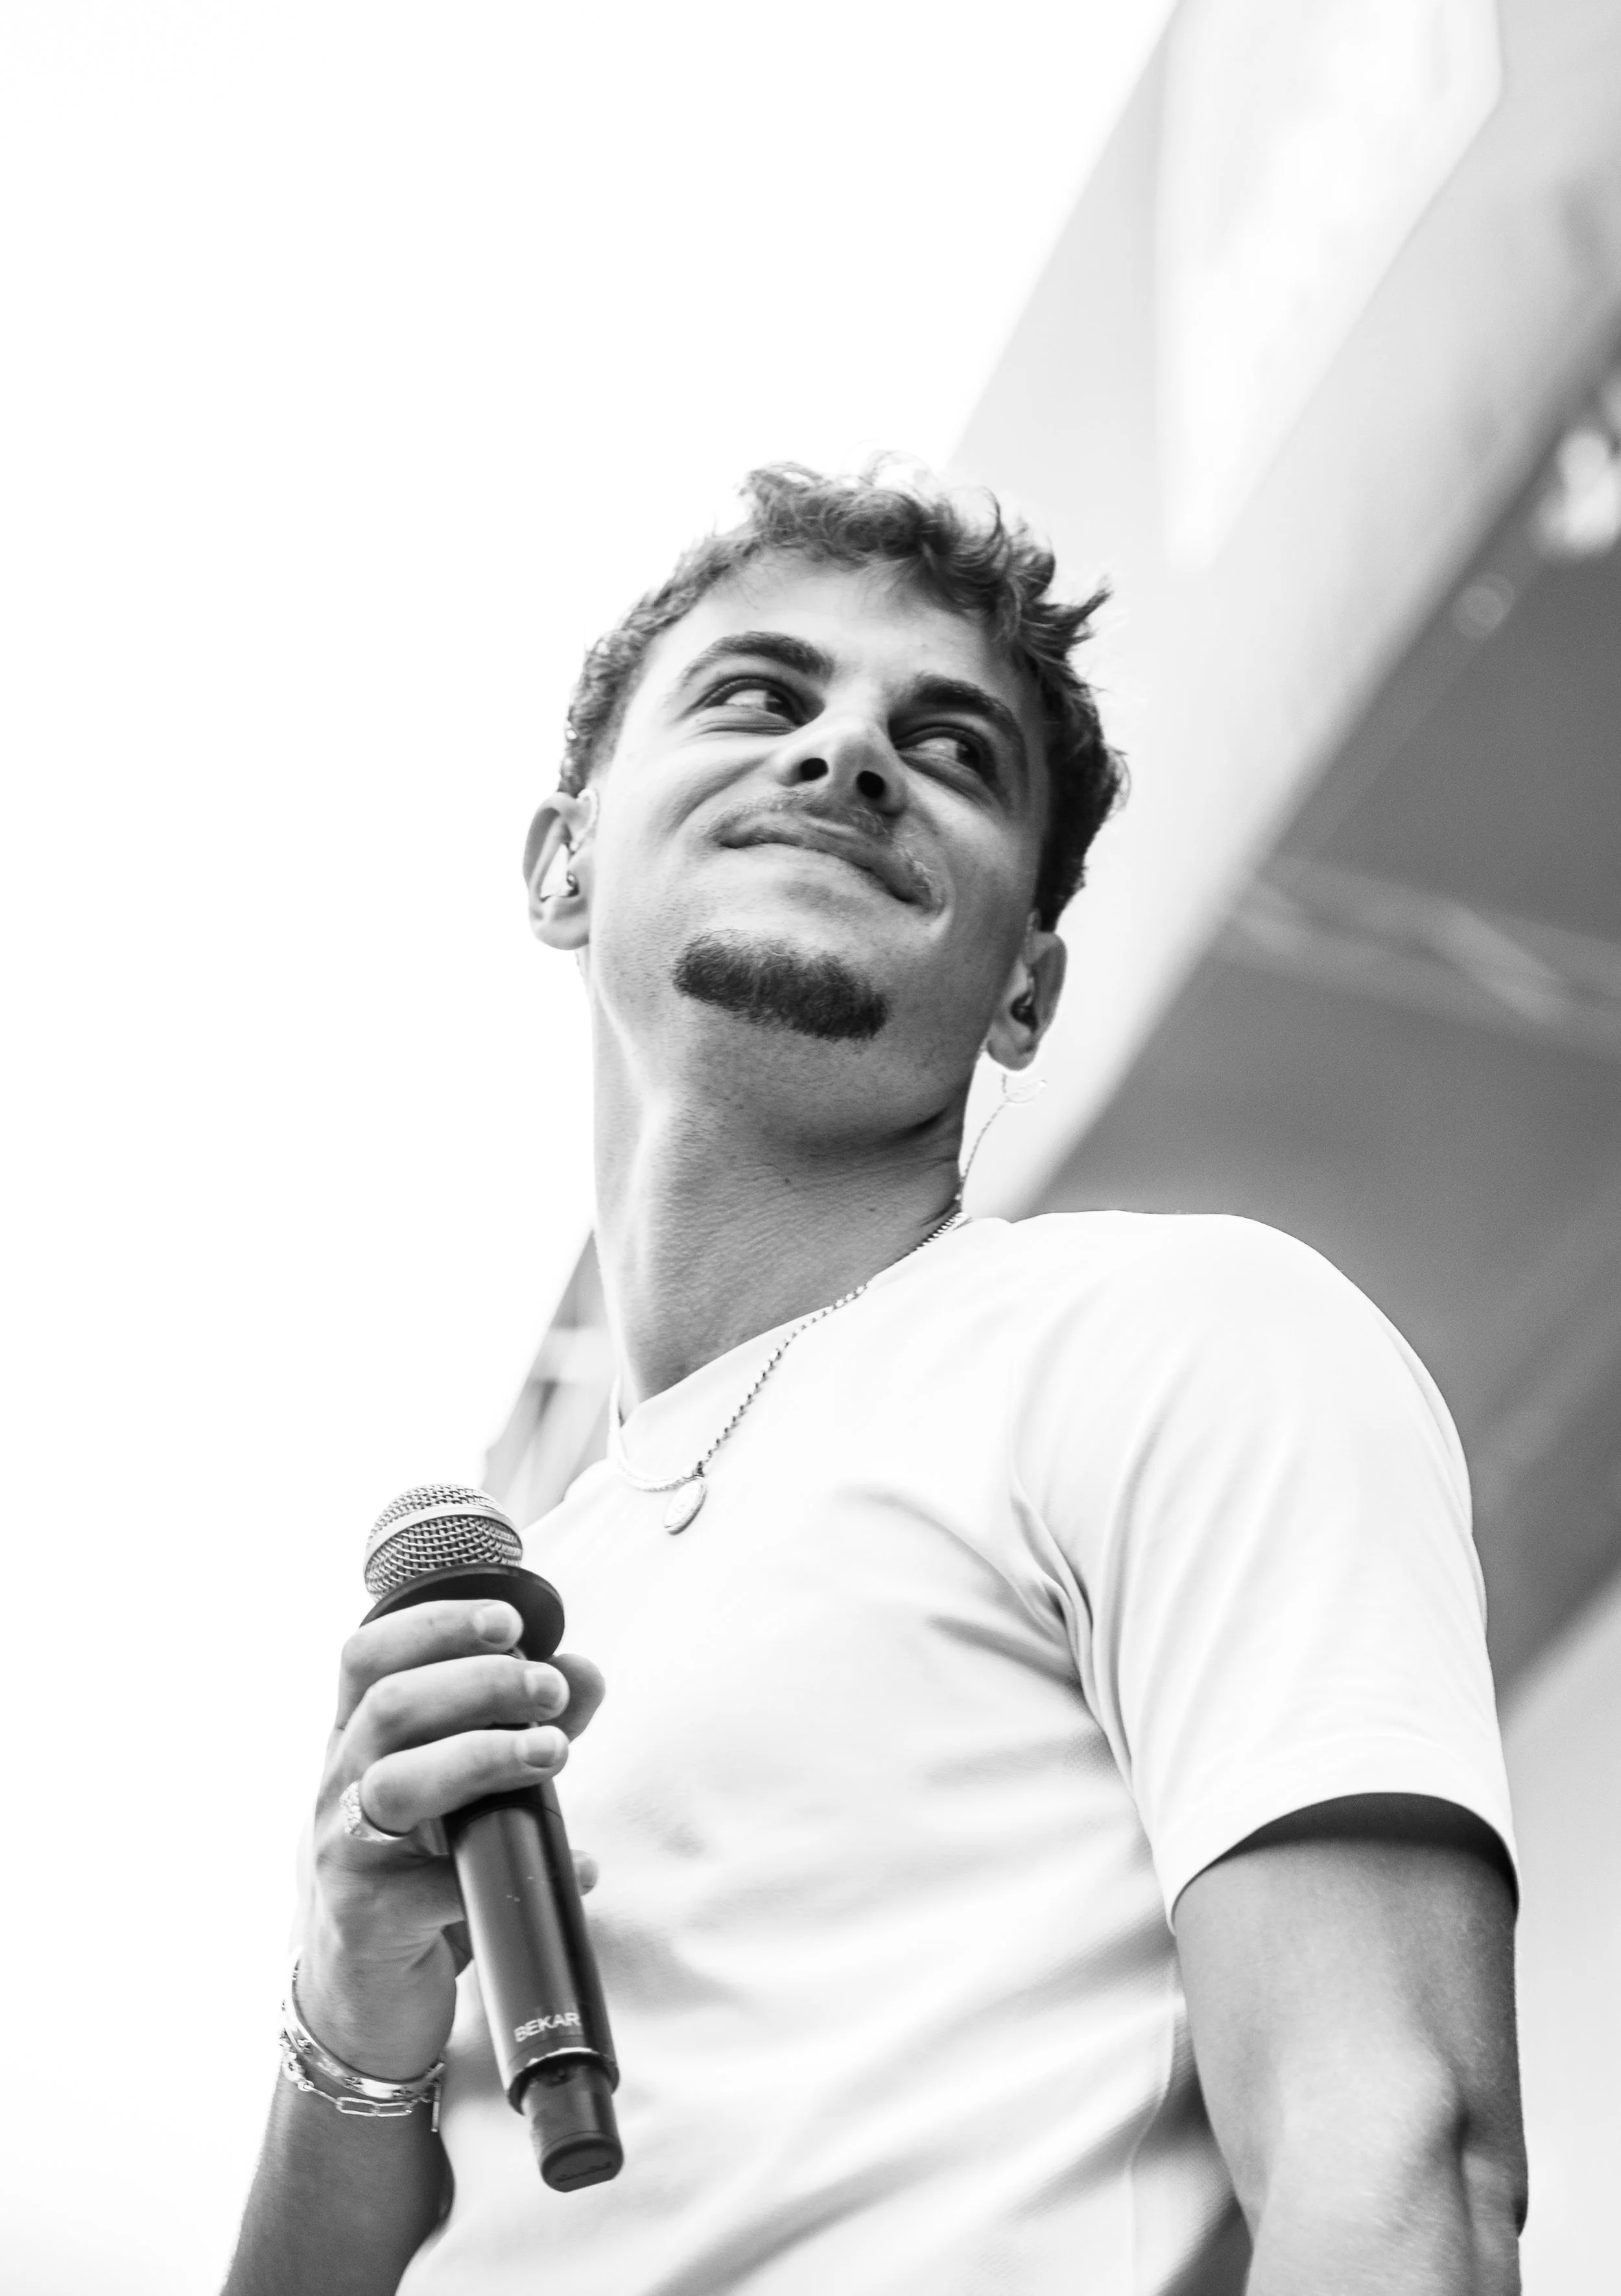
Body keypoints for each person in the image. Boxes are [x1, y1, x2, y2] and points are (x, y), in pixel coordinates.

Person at [226, 465, 1526, 2295]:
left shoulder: (1177, 1334)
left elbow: (1393, 2152)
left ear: (1024, 988)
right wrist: (350, 2015)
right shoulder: (521, 1601)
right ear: (561, 859)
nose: (846, 755)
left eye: (951, 748)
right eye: (761, 695)